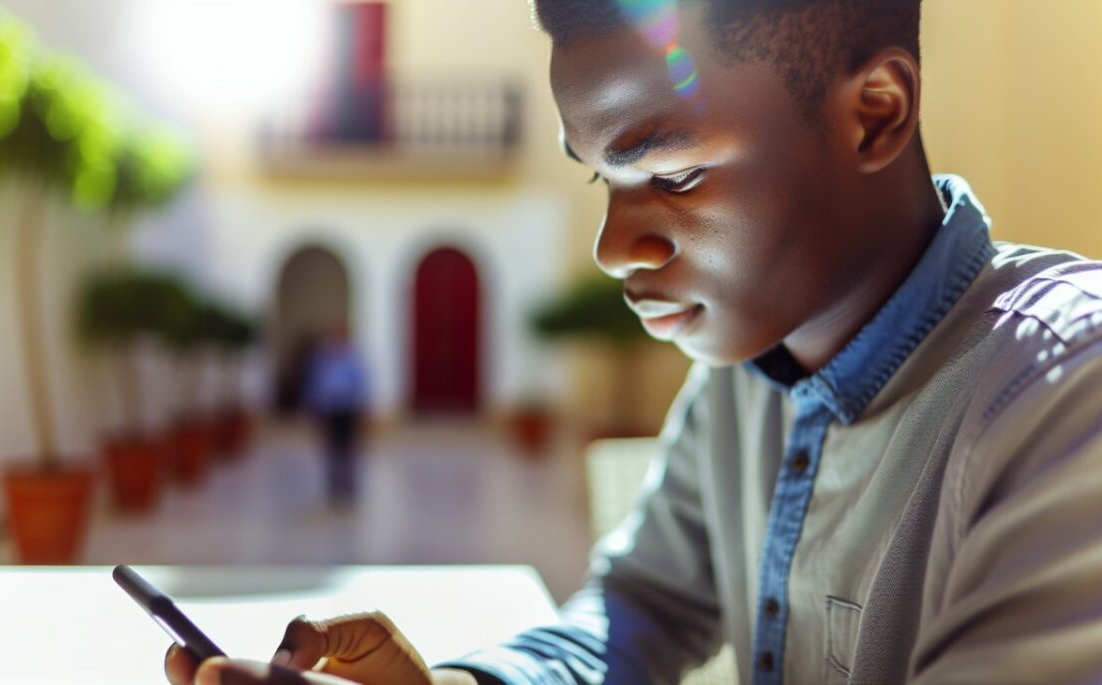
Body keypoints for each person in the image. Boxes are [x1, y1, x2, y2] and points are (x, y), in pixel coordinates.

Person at [165, 0, 1102, 683]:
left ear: (877, 113)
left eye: (679, 173)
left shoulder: (1068, 396)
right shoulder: (743, 380)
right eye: (602, 183)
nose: (615, 249)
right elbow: (641, 610)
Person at [304, 326, 369, 501]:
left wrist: (363, 411)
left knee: (348, 448)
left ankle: (348, 486)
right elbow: (315, 384)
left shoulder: (353, 360)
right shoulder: (323, 360)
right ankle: (333, 486)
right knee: (330, 449)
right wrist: (314, 409)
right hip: (329, 410)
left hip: (348, 410)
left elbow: (361, 385)